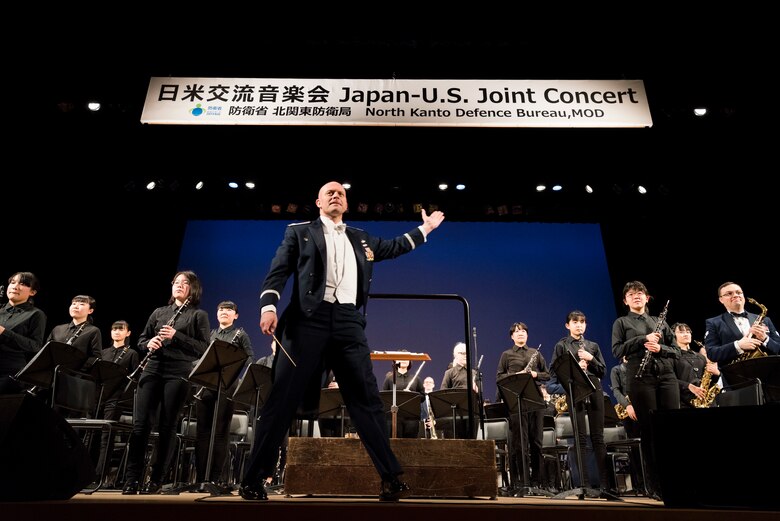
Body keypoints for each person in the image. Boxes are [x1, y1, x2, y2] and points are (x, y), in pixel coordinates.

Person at [239, 180, 444, 501]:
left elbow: (392, 246)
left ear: (346, 204)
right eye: (329, 192)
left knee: (367, 400)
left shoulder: (360, 238)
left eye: (341, 193)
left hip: (348, 323)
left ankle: (390, 477)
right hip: (308, 319)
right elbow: (278, 270)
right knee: (282, 400)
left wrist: (425, 229)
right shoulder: (299, 232)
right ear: (318, 202)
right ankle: (252, 479)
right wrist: (268, 305)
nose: (336, 195)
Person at [122, 271, 211, 495]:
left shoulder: (198, 315)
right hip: (152, 369)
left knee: (167, 426)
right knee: (140, 425)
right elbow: (141, 339)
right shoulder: (159, 312)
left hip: (179, 372)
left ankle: (157, 479)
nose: (179, 286)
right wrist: (148, 342)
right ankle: (132, 479)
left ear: (193, 288)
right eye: (176, 282)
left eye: (185, 283)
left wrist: (176, 336)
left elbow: (202, 347)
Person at [611, 281, 679, 501]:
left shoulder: (659, 322)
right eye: (631, 294)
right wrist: (643, 340)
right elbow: (617, 350)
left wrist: (661, 348)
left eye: (640, 293)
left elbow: (677, 351)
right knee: (650, 432)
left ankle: (675, 481)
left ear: (647, 297)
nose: (636, 296)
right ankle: (655, 486)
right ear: (625, 301)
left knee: (671, 429)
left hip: (666, 376)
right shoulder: (621, 322)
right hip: (640, 378)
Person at [550, 310, 615, 498]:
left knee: (598, 436)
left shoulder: (592, 346)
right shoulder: (561, 345)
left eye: (582, 322)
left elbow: (602, 370)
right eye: (575, 322)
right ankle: (584, 484)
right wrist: (575, 370)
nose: (579, 325)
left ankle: (604, 484)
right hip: (574, 388)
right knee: (580, 437)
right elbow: (555, 371)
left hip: (594, 387)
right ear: (567, 325)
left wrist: (590, 359)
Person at [194, 300, 253, 490]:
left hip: (227, 387)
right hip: (205, 386)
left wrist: (234, 371)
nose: (224, 312)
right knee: (202, 432)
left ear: (235, 315)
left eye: (229, 310)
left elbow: (249, 358)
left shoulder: (240, 334)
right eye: (220, 309)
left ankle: (215, 478)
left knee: (220, 433)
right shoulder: (209, 334)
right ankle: (201, 477)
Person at [495, 322, 550, 495]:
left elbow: (547, 375)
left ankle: (537, 482)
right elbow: (499, 377)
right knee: (520, 443)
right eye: (517, 332)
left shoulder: (536, 353)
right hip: (517, 400)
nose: (520, 334)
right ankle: (522, 481)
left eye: (523, 331)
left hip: (535, 400)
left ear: (527, 335)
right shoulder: (506, 355)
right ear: (512, 336)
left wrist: (534, 374)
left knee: (537, 442)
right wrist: (516, 376)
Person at [704, 282, 780, 384]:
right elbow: (712, 353)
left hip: (768, 380)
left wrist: (765, 338)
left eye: (738, 292)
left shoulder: (765, 320)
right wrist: (738, 345)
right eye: (729, 293)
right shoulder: (713, 323)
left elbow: (778, 348)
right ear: (721, 300)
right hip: (736, 381)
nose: (735, 295)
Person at [95, 320, 139, 486]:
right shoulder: (103, 352)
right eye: (114, 329)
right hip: (98, 396)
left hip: (116, 398)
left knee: (107, 436)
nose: (117, 332)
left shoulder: (131, 353)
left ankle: (100, 476)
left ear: (128, 333)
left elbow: (134, 379)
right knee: (91, 434)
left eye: (121, 329)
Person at [0, 272, 46, 395]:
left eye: (23, 284)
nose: (15, 286)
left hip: (9, 373)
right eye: (12, 282)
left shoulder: (36, 314)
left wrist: (4, 332)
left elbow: (35, 346)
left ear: (32, 292)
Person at [46, 294, 103, 367]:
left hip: (73, 374)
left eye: (82, 304)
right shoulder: (58, 329)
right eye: (73, 304)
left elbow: (96, 357)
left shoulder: (93, 331)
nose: (76, 306)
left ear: (90, 311)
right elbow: (46, 351)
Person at [672, 322, 718, 408]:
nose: (686, 334)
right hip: (685, 402)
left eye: (688, 332)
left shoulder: (701, 357)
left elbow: (710, 379)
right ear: (673, 336)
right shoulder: (671, 356)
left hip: (706, 400)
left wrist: (716, 372)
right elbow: (669, 380)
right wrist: (689, 386)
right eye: (681, 332)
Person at [439, 342, 479, 439]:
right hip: (455, 413)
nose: (465, 355)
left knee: (472, 441)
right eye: (462, 353)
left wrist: (477, 390)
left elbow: (479, 395)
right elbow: (443, 392)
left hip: (472, 413)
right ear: (456, 355)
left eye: (467, 353)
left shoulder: (474, 373)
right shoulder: (449, 373)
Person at [382, 356, 424, 438]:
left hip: (411, 419)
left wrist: (412, 394)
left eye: (407, 358)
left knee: (411, 445)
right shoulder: (389, 379)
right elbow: (384, 397)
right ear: (395, 361)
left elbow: (423, 397)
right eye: (401, 357)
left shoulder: (416, 379)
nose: (404, 359)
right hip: (393, 418)